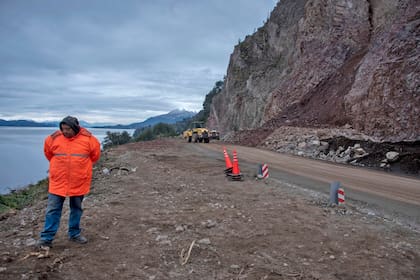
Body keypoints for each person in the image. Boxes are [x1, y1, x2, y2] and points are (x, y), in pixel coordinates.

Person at [37, 116, 101, 248]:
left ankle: (74, 234)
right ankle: (46, 238)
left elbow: (95, 156)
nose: (65, 131)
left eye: (68, 129)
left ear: (75, 127)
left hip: (79, 181)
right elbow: (48, 154)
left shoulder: (89, 140)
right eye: (62, 128)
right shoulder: (53, 138)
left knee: (76, 209)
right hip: (58, 181)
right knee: (53, 209)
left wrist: (79, 169)